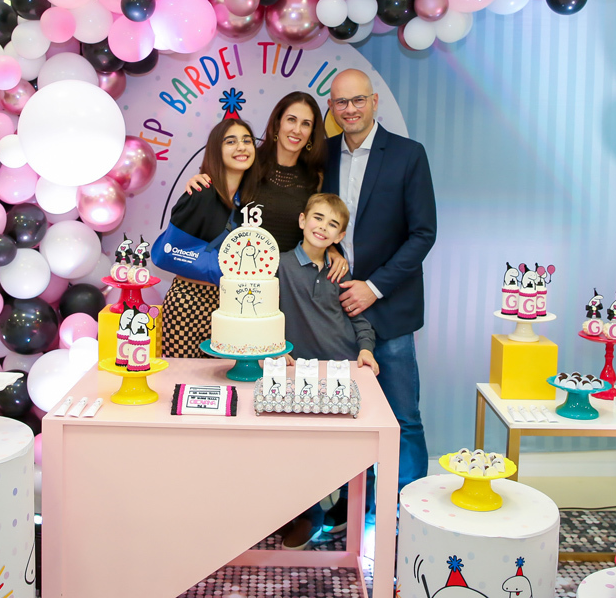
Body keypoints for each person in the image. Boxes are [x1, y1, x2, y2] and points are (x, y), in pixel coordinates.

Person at [324, 68, 437, 489]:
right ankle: (358, 507)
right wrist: (331, 249)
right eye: (341, 101)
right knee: (343, 414)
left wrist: (373, 288)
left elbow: (423, 234)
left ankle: (404, 507)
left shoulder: (409, 155)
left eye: (358, 100)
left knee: (402, 416)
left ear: (374, 102)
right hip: (335, 308)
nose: (350, 109)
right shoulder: (323, 154)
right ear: (331, 108)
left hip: (390, 308)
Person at [275, 192, 379, 549]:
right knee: (299, 451)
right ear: (302, 220)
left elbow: (359, 319)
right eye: (317, 218)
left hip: (344, 367)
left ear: (340, 237)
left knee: (354, 450)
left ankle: (355, 512)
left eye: (333, 224)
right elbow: (264, 313)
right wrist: (277, 347)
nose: (323, 227)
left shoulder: (339, 272)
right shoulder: (279, 265)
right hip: (299, 372)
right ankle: (306, 516)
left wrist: (365, 349)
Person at [186, 92, 348, 277]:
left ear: (312, 132)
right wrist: (201, 182)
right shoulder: (248, 163)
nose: (297, 130)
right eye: (291, 120)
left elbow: (319, 226)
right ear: (278, 124)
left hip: (286, 283)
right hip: (237, 277)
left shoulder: (315, 178)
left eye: (306, 124)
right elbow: (217, 204)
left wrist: (331, 249)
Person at [158, 117, 259, 357]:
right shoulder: (200, 193)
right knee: (184, 375)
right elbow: (167, 253)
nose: (241, 147)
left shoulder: (250, 202)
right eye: (231, 141)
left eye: (247, 141)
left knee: (223, 375)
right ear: (216, 150)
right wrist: (218, 268)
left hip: (230, 305)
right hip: (188, 303)